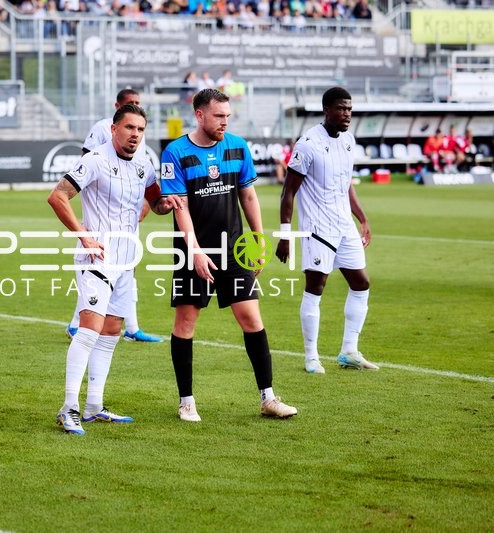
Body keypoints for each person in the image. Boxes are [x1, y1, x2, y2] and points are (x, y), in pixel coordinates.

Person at [160, 88, 297, 422]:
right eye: (218, 116)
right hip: (193, 251)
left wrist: (257, 240)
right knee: (186, 322)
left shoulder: (237, 146)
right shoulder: (174, 152)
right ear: (200, 115)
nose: (224, 122)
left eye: (227, 116)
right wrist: (194, 252)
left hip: (234, 248)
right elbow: (180, 208)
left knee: (251, 318)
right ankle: (186, 401)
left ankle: (268, 398)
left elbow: (247, 195)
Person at [47, 104, 179, 435]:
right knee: (89, 331)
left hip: (126, 263)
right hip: (96, 260)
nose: (135, 134)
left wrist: (169, 202)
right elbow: (58, 197)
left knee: (110, 334)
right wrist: (85, 237)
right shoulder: (95, 160)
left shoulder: (145, 165)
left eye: (140, 129)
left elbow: (156, 202)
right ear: (114, 129)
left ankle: (93, 407)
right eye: (129, 127)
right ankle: (69, 408)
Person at [275, 86, 379, 374]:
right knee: (316, 287)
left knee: (361, 283)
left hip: (344, 225)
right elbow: (288, 193)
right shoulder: (307, 144)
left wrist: (362, 218)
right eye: (341, 108)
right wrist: (285, 235)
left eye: (349, 108)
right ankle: (311, 356)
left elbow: (346, 184)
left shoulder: (348, 140)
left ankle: (349, 351)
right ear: (327, 110)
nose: (347, 114)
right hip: (317, 227)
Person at [66, 89, 162, 343]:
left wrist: (150, 202)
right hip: (102, 223)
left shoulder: (140, 153)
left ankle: (131, 327)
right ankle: (77, 324)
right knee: (91, 322)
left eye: (138, 104)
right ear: (116, 109)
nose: (135, 133)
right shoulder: (101, 132)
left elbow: (152, 191)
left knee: (126, 273)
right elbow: (85, 165)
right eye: (129, 105)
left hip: (126, 222)